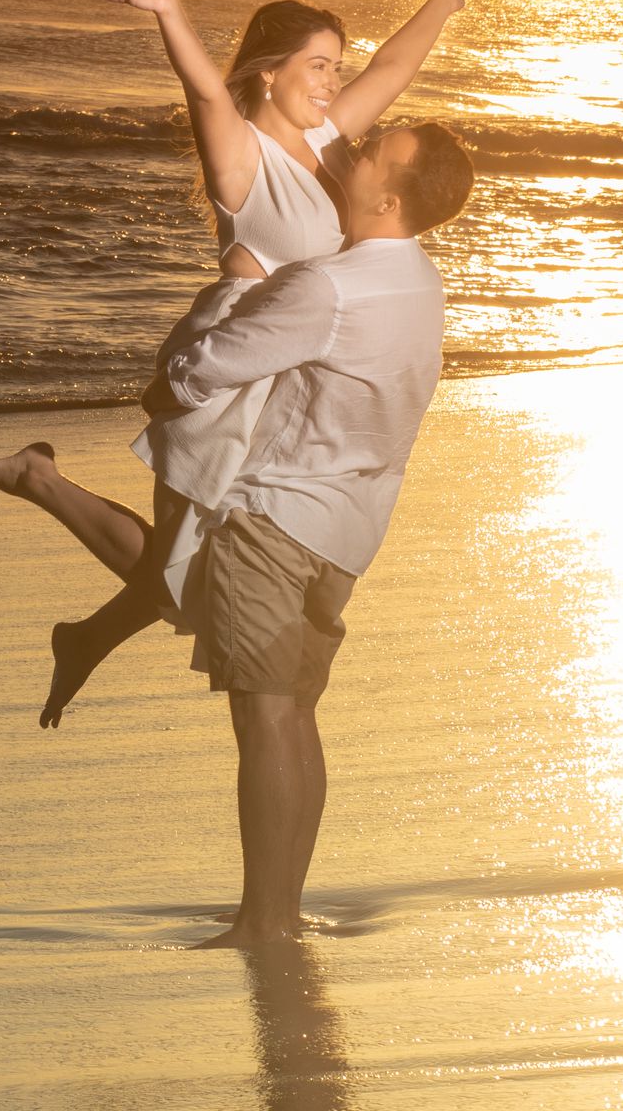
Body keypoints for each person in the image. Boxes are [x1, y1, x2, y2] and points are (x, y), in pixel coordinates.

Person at [0, 0, 466, 726]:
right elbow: (203, 87)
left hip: (289, 362)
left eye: (338, 68)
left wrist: (442, 2)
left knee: (192, 574)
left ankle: (83, 630)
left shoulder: (334, 143)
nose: (335, 83)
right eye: (319, 66)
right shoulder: (242, 152)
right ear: (271, 72)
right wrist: (165, 9)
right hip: (227, 357)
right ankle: (44, 487)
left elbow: (393, 70)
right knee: (184, 572)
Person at [143, 121, 474, 946]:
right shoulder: (422, 283)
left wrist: (168, 382)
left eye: (371, 154)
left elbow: (213, 365)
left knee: (263, 722)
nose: (352, 154)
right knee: (295, 716)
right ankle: (281, 907)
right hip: (350, 530)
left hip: (275, 516)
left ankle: (265, 921)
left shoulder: (330, 286)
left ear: (390, 197)